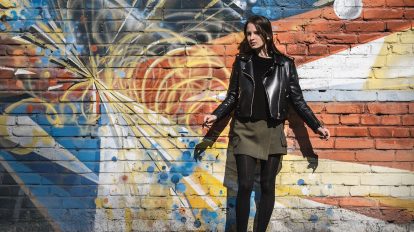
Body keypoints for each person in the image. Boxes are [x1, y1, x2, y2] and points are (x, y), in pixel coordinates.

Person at [201, 15, 330, 232]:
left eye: (255, 33)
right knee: (244, 185)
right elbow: (232, 96)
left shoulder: (285, 65)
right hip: (245, 129)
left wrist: (316, 125)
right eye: (248, 33)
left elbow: (297, 100)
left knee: (268, 186)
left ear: (266, 34)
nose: (251, 37)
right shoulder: (242, 62)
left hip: (272, 130)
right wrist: (216, 114)